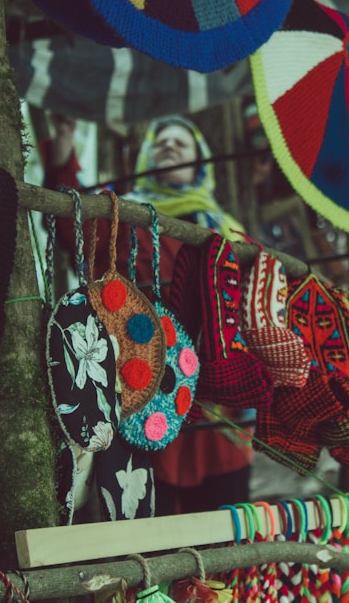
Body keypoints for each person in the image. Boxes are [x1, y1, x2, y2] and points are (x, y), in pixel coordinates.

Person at [41, 113, 254, 516]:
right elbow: (73, 226)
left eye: (181, 143)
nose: (169, 148)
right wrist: (65, 145)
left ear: (199, 161)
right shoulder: (125, 214)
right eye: (160, 143)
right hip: (146, 381)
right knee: (153, 511)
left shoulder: (226, 228)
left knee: (223, 518)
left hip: (214, 400)